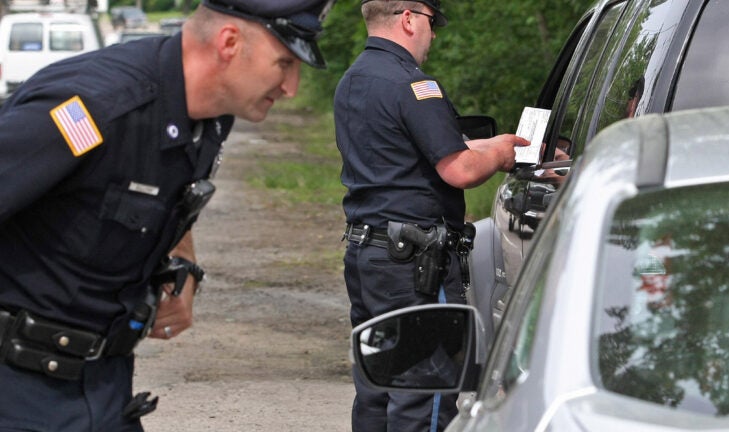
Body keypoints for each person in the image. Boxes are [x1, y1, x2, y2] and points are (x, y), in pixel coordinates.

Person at [0, 0, 335, 430]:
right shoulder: (94, 110)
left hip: (104, 386)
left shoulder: (210, 117)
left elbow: (169, 196)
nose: (291, 87)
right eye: (285, 63)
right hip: (19, 393)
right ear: (229, 43)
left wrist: (182, 264)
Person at [334, 1, 529, 430]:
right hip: (416, 266)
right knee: (425, 397)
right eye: (431, 21)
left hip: (370, 256)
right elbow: (459, 169)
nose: (434, 33)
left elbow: (419, 150)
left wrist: (494, 143)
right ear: (408, 18)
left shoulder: (354, 80)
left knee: (377, 386)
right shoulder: (415, 85)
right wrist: (499, 156)